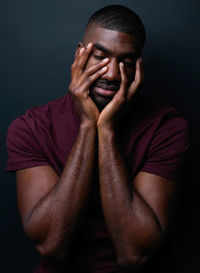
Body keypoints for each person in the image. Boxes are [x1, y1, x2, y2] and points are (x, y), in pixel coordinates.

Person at [6, 5, 190, 273]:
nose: (112, 74)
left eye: (126, 62)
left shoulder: (167, 128)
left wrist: (107, 132)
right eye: (100, 57)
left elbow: (134, 254)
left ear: (138, 67)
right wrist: (87, 127)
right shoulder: (31, 128)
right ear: (80, 53)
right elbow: (51, 246)